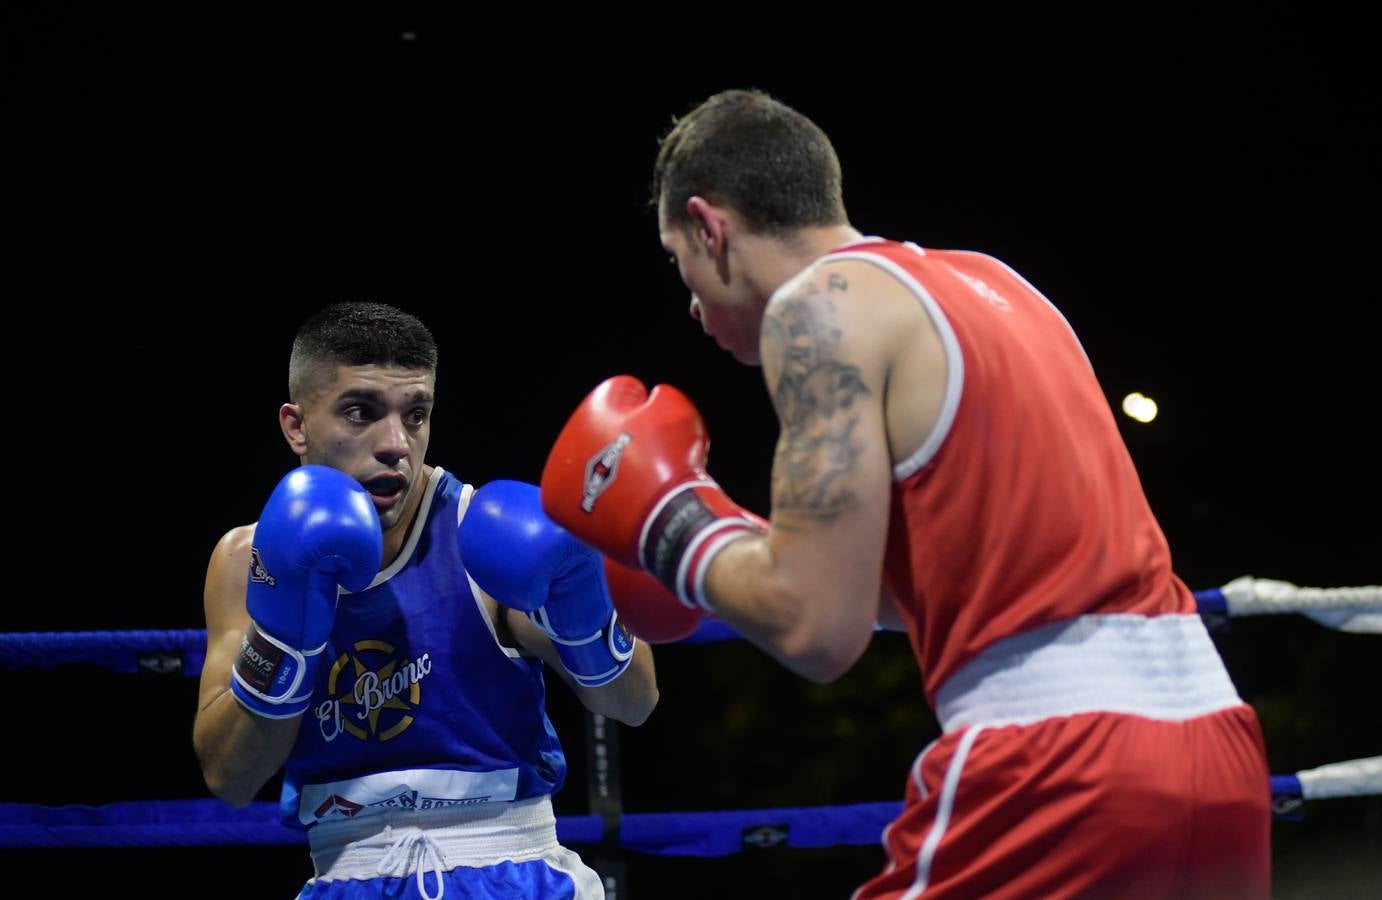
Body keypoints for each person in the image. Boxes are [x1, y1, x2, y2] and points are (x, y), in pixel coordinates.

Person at [539, 90, 1271, 898]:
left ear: (712, 229)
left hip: (1058, 761)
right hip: (1217, 743)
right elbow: (920, 587)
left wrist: (668, 524)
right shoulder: (1001, 285)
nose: (690, 300)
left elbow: (817, 629)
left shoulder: (817, 309)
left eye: (679, 260)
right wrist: (749, 544)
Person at [193, 301, 658, 900]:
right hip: (345, 871)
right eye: (360, 412)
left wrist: (582, 602)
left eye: (415, 415)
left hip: (513, 867)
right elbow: (229, 776)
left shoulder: (480, 536)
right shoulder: (247, 561)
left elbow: (634, 702)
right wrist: (284, 640)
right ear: (296, 425)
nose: (395, 444)